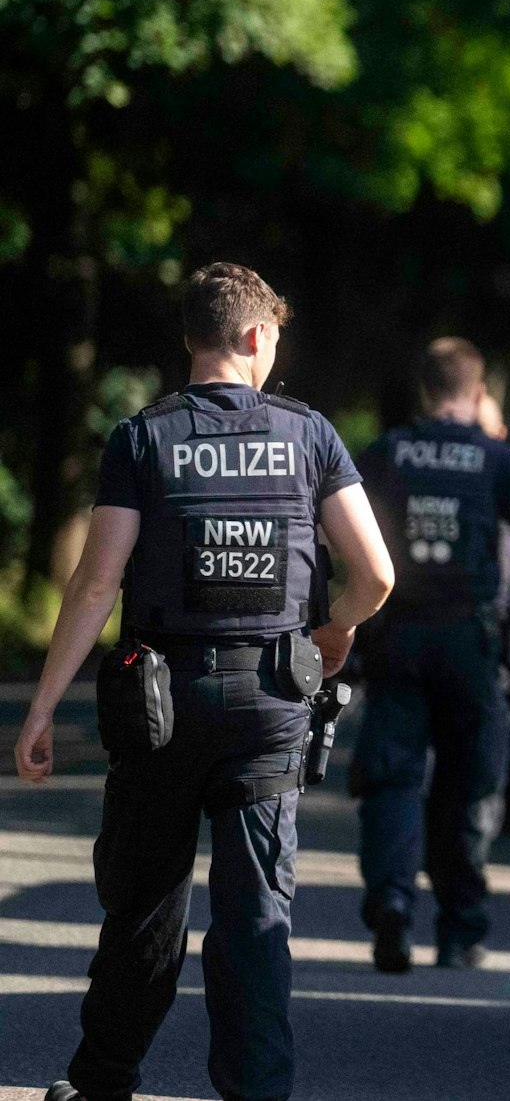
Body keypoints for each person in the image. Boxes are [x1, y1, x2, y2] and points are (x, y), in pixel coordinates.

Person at [11, 262, 395, 1101]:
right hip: (271, 703)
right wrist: (334, 629)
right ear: (255, 335)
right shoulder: (310, 435)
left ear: (191, 337)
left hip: (161, 706)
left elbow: (96, 581)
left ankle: (102, 1080)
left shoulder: (141, 438)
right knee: (257, 915)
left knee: (145, 905)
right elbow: (375, 573)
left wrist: (43, 707)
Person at [349, 337, 510, 972]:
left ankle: (392, 900)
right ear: (478, 394)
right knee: (470, 785)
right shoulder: (499, 460)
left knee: (392, 776)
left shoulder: (386, 452)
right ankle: (459, 930)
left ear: (425, 391)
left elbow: (334, 531)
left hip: (397, 638)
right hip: (471, 644)